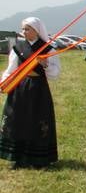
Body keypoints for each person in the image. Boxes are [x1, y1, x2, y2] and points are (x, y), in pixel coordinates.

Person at [0, 17, 60, 168]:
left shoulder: (48, 49)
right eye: (23, 29)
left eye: (27, 29)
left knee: (37, 121)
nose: (24, 32)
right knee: (18, 120)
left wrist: (46, 65)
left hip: (38, 90)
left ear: (37, 31)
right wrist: (4, 83)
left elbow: (55, 74)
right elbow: (11, 69)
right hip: (19, 89)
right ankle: (17, 157)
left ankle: (37, 159)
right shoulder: (18, 48)